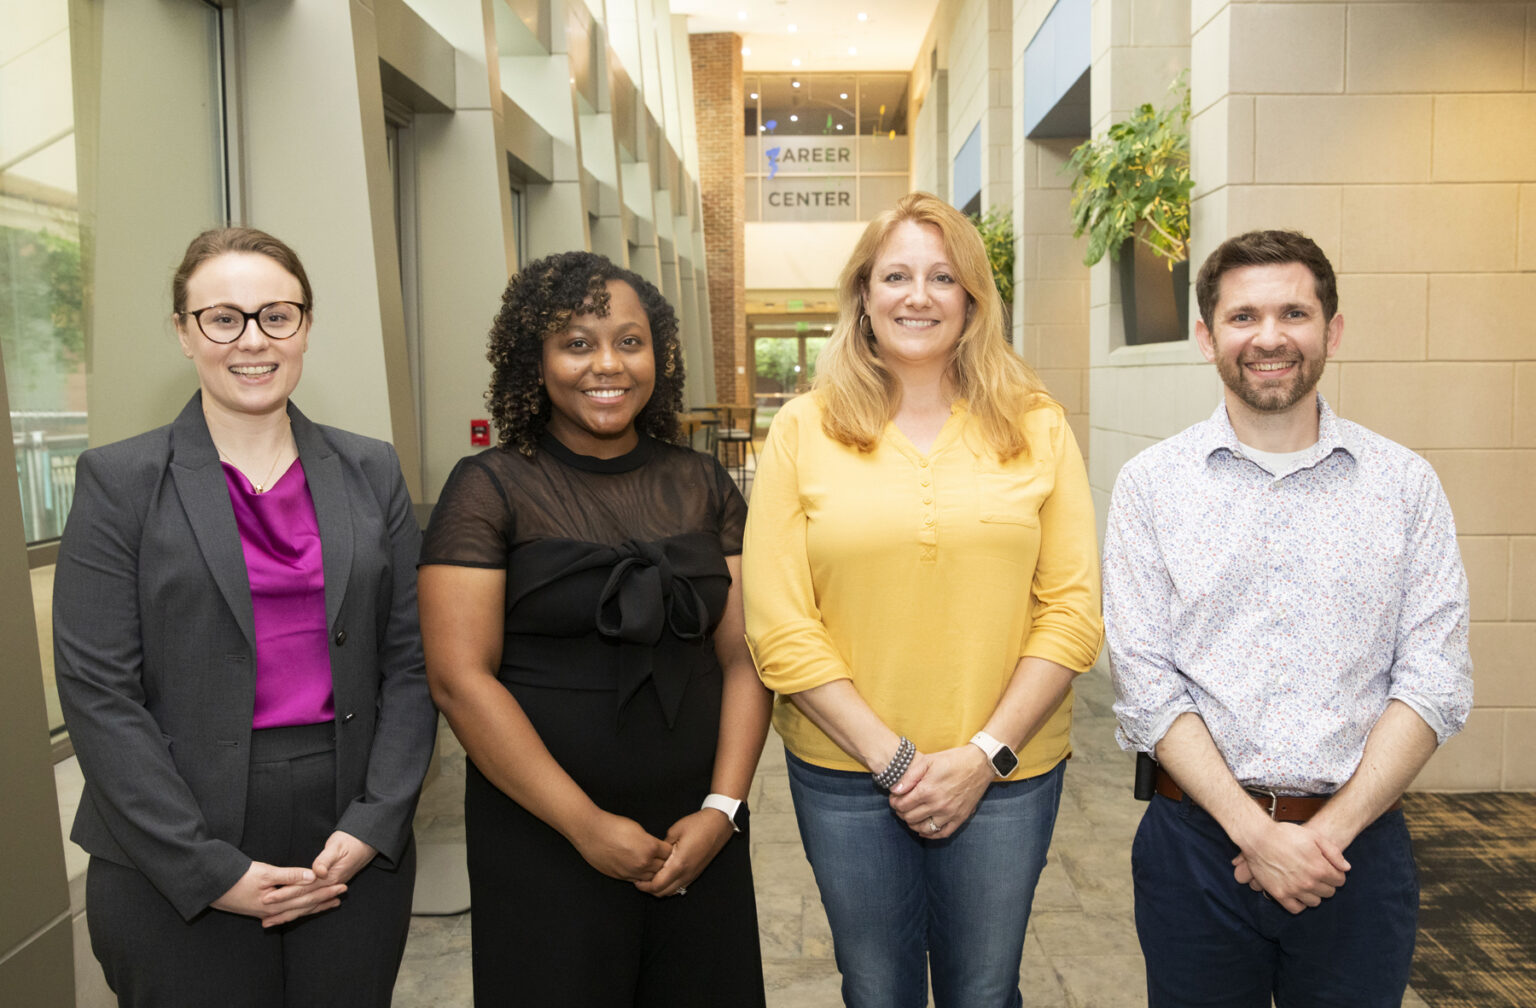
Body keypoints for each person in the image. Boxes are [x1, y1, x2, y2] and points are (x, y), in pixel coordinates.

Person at [53, 226, 437, 1007]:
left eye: (277, 315)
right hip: (171, 840)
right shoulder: (119, 482)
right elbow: (99, 695)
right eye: (223, 318)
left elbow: (414, 663)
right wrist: (206, 868)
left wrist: (375, 824)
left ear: (305, 326)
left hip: (349, 837)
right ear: (184, 333)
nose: (252, 340)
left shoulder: (372, 469)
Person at [742, 191, 1103, 1007]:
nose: (918, 295)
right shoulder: (804, 428)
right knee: (876, 990)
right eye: (896, 275)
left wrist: (983, 757)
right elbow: (778, 625)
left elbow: (1073, 612)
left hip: (1009, 776)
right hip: (846, 774)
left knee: (984, 991)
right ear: (863, 297)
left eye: (943, 277)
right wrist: (895, 761)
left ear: (973, 300)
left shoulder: (1037, 426)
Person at [1102, 229, 1474, 1007]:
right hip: (1195, 851)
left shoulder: (1406, 485)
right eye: (1243, 317)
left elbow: (1434, 680)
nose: (1269, 338)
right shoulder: (1151, 487)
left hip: (1357, 854)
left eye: (1294, 313)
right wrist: (1256, 833)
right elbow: (1144, 680)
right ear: (1206, 337)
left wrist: (1322, 839)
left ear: (1331, 331)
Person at [418, 250, 772, 1007]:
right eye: (576, 343)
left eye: (629, 341)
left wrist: (723, 811)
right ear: (533, 360)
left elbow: (746, 660)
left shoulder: (703, 483)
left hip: (696, 833)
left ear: (657, 355)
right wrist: (585, 826)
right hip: (543, 833)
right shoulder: (488, 488)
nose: (606, 364)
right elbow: (459, 679)